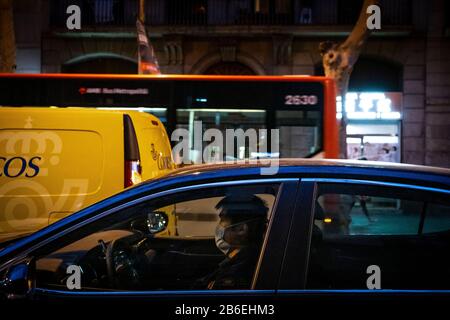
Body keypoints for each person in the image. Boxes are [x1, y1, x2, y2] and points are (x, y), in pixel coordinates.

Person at [196, 193, 268, 290]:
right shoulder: (245, 255)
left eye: (223, 220)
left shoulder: (237, 273)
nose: (219, 226)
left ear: (241, 229)